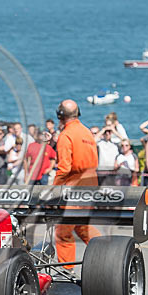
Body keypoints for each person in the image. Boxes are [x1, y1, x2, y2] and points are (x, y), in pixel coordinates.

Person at [53, 99, 99, 264]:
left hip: (76, 188)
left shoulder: (66, 135)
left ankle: (66, 269)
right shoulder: (87, 132)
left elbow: (64, 168)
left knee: (63, 232)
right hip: (91, 184)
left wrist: (54, 191)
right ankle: (106, 251)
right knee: (81, 226)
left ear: (60, 115)